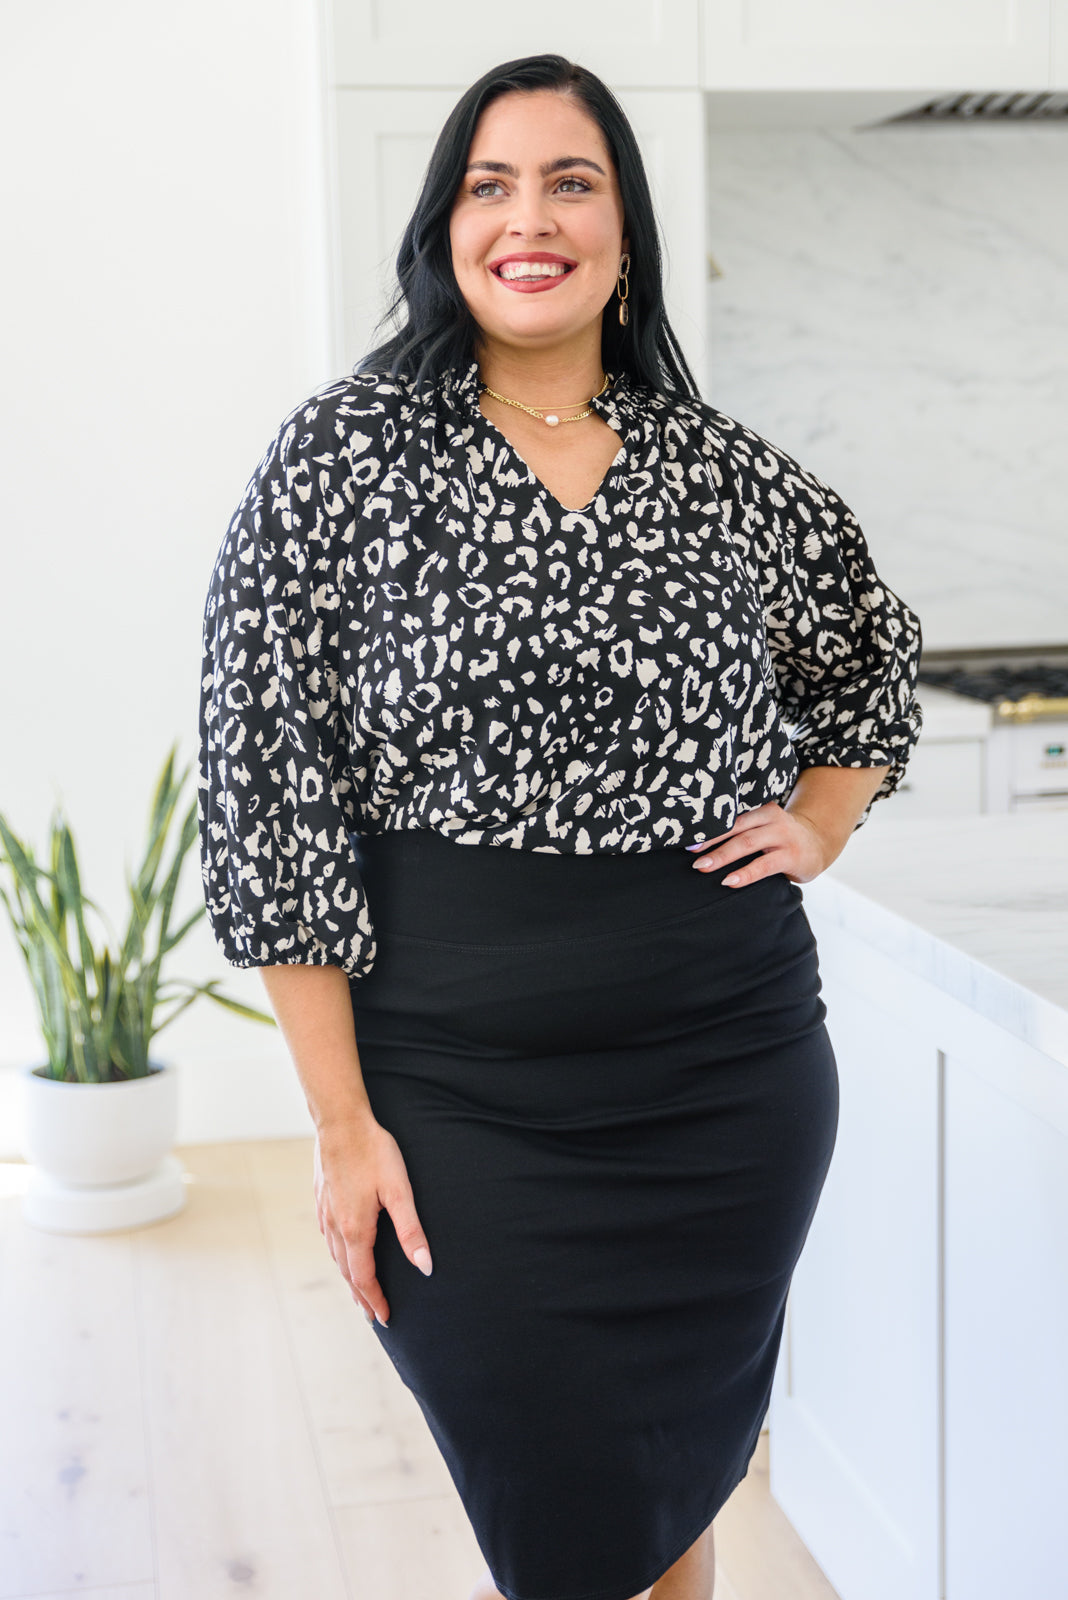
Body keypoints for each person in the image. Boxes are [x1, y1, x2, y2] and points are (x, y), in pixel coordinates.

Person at [197, 52, 922, 1600]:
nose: (531, 218)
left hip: (723, 1079)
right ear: (444, 225)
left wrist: (823, 820)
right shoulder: (341, 460)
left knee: (660, 1501)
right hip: (459, 1094)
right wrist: (339, 1126)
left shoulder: (717, 472)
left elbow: (871, 655)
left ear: (625, 231)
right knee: (564, 1507)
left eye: (571, 182)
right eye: (491, 182)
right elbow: (270, 799)